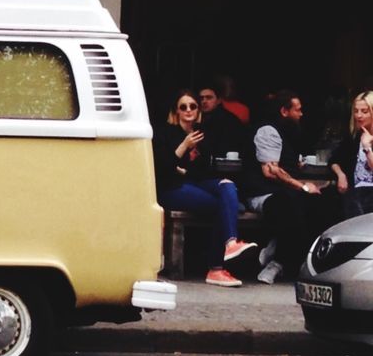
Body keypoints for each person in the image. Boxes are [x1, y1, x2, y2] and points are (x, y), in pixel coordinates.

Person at [153, 89, 257, 287]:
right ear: (176, 112)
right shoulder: (165, 133)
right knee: (224, 206)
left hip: (194, 183)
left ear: (198, 110)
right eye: (183, 107)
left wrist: (187, 165)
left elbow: (203, 171)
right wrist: (184, 146)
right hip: (171, 188)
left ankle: (230, 244)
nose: (188, 110)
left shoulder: (202, 134)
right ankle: (216, 268)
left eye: (193, 106)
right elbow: (163, 169)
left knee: (227, 186)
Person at [241, 89, 337, 283]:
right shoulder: (268, 131)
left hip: (284, 193)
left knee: (323, 204)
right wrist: (302, 186)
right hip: (263, 193)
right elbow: (271, 171)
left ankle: (277, 255)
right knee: (289, 206)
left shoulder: (287, 133)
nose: (301, 114)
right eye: (298, 110)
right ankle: (277, 263)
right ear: (284, 111)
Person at [329, 90, 373, 219]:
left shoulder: (365, 141)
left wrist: (367, 147)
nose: (358, 115)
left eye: (364, 111)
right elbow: (334, 160)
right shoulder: (354, 137)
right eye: (356, 111)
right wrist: (341, 174)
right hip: (356, 193)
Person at [196, 80, 250, 161]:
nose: (204, 101)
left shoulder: (229, 121)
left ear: (219, 100)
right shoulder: (197, 117)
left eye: (209, 98)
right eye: (201, 98)